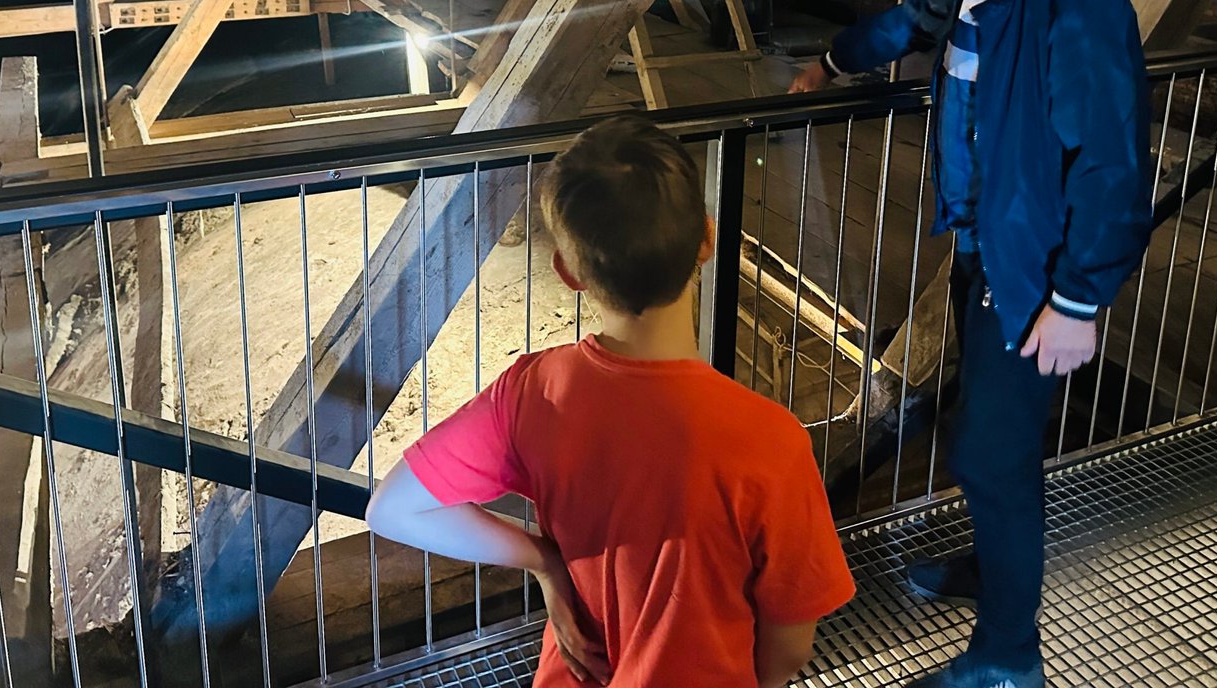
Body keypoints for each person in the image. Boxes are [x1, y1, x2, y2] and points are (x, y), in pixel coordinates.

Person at [789, 0, 1151, 688]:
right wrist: (833, 58)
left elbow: (1112, 163)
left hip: (1029, 272)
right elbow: (913, 21)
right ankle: (998, 573)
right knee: (991, 444)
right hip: (986, 248)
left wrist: (1078, 301)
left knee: (991, 457)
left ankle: (1008, 659)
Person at [367, 115, 856, 686]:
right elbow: (790, 646)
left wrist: (544, 561)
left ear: (568, 271)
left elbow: (391, 509)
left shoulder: (531, 390)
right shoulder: (772, 439)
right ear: (706, 239)